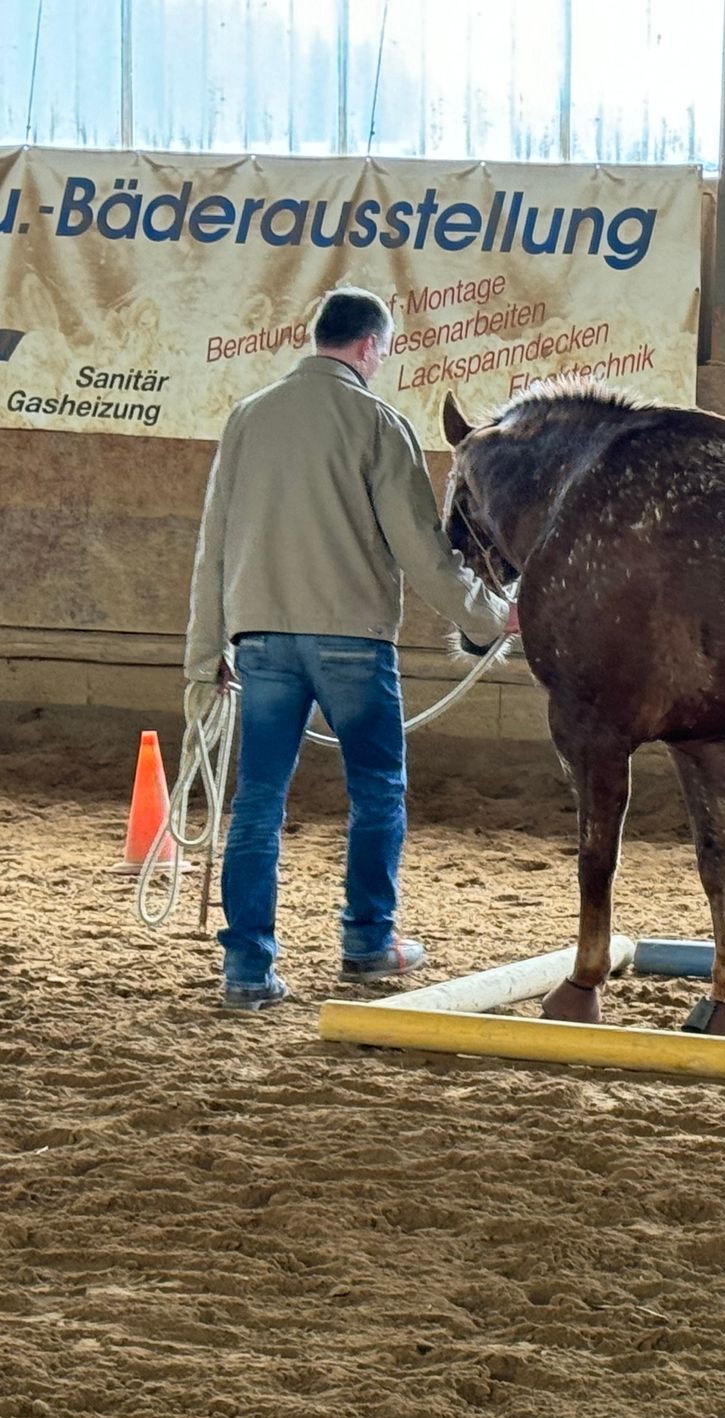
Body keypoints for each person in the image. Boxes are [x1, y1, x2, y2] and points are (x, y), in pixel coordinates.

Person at [184, 286, 514, 1012]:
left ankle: (246, 970)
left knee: (257, 803)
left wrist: (208, 650)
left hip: (260, 640)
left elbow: (215, 539)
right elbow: (422, 550)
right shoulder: (378, 423)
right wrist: (493, 616)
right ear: (369, 345)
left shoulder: (247, 417)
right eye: (385, 350)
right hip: (353, 645)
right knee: (377, 791)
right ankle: (368, 942)